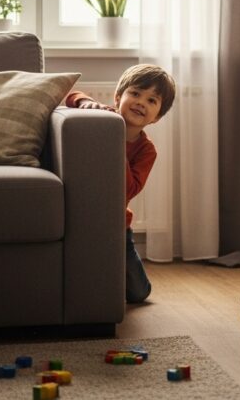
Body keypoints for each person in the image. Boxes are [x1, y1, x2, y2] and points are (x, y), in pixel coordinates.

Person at [65, 64, 177, 303]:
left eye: (151, 100)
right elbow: (69, 94)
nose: (140, 102)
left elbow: (129, 189)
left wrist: (116, 145)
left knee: (139, 293)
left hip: (117, 225)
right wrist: (84, 103)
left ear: (157, 116)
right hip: (82, 215)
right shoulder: (102, 117)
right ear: (118, 98)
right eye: (135, 93)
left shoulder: (147, 151)